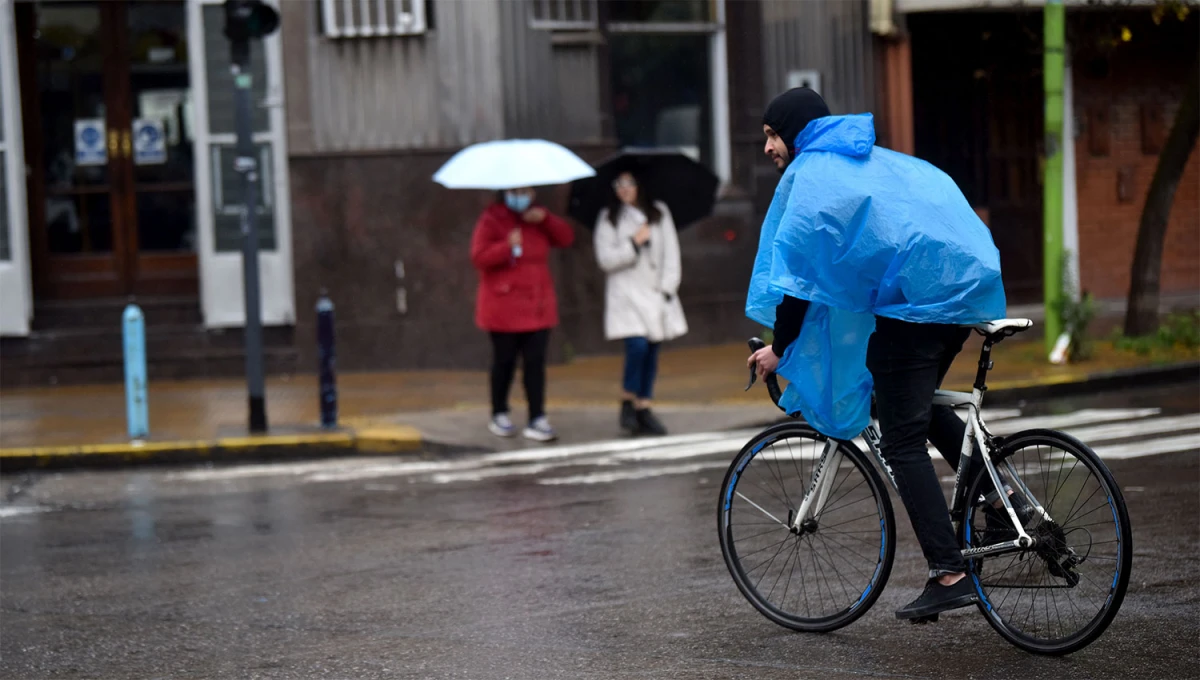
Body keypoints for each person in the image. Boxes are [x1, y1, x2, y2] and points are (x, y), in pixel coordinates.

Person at [745, 87, 1009, 621]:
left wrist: (782, 346)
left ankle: (949, 572)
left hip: (918, 307)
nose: (768, 147)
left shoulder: (814, 174)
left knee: (899, 437)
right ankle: (1007, 507)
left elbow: (799, 280)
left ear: (795, 133)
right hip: (958, 293)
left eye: (773, 135)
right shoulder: (869, 162)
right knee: (917, 406)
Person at [470, 186, 575, 442]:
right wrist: (506, 246)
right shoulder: (492, 219)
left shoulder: (538, 218)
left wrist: (546, 220)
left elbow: (566, 238)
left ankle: (537, 417)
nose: (521, 196)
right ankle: (499, 412)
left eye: (526, 191)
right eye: (515, 191)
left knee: (535, 363)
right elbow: (479, 257)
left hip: (537, 304)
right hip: (503, 306)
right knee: (504, 361)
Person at [594, 170, 688, 435]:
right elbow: (605, 259)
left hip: (654, 292)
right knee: (636, 346)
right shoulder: (608, 218)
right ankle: (627, 399)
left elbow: (671, 252)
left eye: (629, 183)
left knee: (652, 350)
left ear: (639, 185)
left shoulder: (658, 213)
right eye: (618, 183)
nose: (623, 189)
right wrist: (633, 244)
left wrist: (668, 288)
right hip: (625, 295)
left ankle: (643, 407)